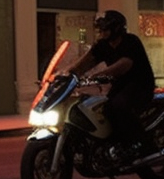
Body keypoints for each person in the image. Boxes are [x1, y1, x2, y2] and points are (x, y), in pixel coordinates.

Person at [62, 10, 156, 157]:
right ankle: (113, 145)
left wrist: (99, 75)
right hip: (120, 86)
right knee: (101, 109)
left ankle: (141, 143)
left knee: (118, 106)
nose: (102, 32)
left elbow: (124, 64)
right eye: (100, 29)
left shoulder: (131, 41)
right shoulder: (102, 45)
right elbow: (84, 63)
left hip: (140, 85)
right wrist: (65, 74)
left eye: (105, 29)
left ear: (116, 28)